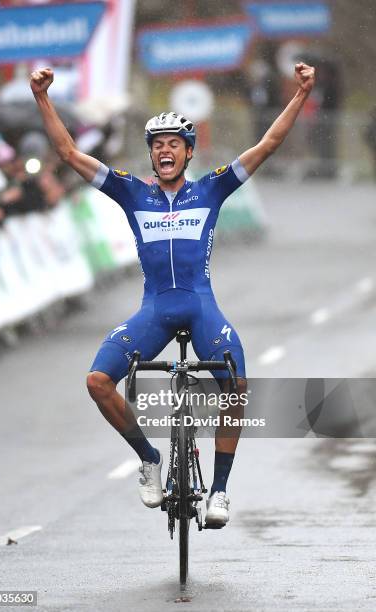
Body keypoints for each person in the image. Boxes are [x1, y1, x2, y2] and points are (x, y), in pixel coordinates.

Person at [30, 62, 315, 526]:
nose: (165, 151)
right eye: (158, 146)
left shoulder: (212, 188)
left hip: (201, 306)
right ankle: (149, 459)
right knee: (98, 382)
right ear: (151, 155)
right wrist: (42, 96)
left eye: (174, 145)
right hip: (155, 310)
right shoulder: (130, 192)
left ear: (187, 153)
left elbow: (269, 144)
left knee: (237, 387)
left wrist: (301, 92)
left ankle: (219, 491)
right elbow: (66, 152)